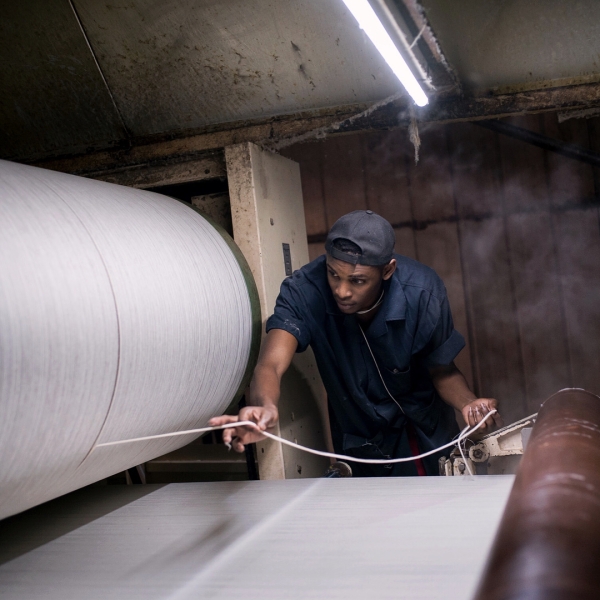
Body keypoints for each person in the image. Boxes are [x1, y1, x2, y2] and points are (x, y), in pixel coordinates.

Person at [210, 210, 501, 476]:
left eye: (358, 281)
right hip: (362, 441)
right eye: (333, 274)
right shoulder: (304, 290)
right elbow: (270, 363)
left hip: (428, 434)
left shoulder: (422, 292)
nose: (342, 290)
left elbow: (443, 370)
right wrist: (266, 409)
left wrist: (469, 405)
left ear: (387, 270)